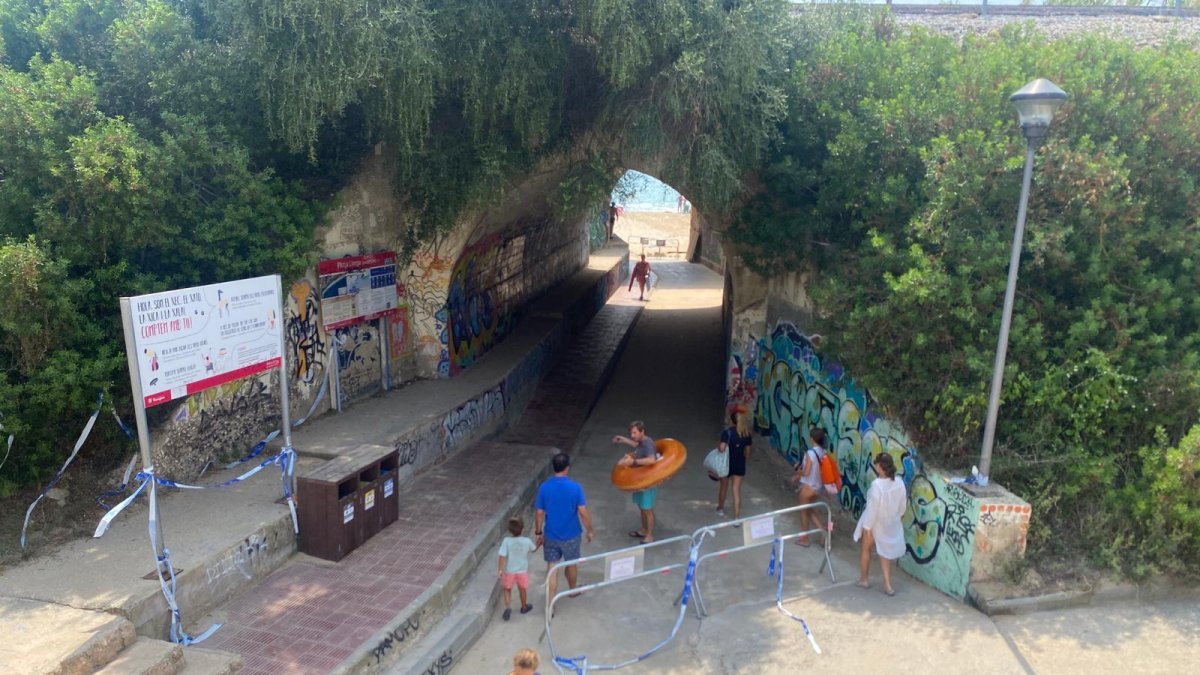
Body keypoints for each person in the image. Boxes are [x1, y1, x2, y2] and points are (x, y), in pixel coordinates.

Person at [534, 453, 594, 603]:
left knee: (552, 567)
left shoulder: (544, 487)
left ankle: (550, 605)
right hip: (571, 535)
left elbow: (539, 512)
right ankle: (572, 590)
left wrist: (538, 532)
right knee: (571, 563)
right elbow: (582, 512)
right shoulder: (575, 488)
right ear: (567, 468)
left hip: (551, 535)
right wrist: (589, 530)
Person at [854, 453, 907, 596]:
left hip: (875, 523)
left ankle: (864, 579)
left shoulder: (876, 485)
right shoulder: (900, 483)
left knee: (866, 549)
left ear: (879, 467)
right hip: (890, 522)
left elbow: (872, 509)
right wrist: (898, 518)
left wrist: (867, 527)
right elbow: (903, 506)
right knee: (885, 553)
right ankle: (888, 585)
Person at [613, 420, 661, 543]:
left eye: (634, 433)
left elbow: (651, 460)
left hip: (647, 482)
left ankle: (649, 535)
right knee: (642, 507)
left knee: (647, 509)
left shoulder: (648, 444)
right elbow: (637, 446)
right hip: (640, 481)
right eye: (631, 433)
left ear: (642, 431)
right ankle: (644, 530)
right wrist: (624, 440)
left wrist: (633, 462)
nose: (632, 436)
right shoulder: (641, 442)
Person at [789, 428, 828, 547]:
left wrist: (797, 470)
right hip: (817, 487)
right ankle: (823, 532)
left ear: (812, 439)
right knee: (810, 510)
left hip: (808, 488)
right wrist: (798, 476)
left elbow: (806, 472)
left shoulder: (811, 453)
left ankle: (804, 538)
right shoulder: (823, 452)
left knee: (803, 513)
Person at [497, 516, 538, 621]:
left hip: (510, 571)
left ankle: (507, 607)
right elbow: (533, 549)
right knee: (522, 589)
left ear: (509, 530)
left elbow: (502, 556)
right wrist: (540, 543)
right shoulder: (527, 541)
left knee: (507, 589)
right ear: (522, 529)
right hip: (522, 571)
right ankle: (524, 607)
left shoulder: (506, 541)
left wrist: (500, 569)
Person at [716, 411, 752, 522]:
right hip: (740, 463)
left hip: (726, 464)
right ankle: (736, 517)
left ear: (732, 421)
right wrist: (744, 461)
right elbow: (748, 452)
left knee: (723, 487)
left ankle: (720, 509)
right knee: (736, 490)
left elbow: (721, 449)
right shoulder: (747, 434)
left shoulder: (727, 433)